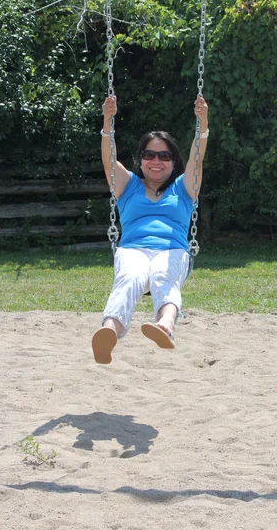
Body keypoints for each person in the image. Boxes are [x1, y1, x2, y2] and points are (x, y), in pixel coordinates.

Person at [92, 94, 209, 364]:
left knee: (162, 275)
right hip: (133, 248)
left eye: (164, 155)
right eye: (149, 154)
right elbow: (109, 159)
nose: (156, 160)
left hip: (172, 250)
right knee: (130, 277)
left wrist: (202, 125)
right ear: (141, 158)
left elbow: (197, 157)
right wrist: (108, 120)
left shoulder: (184, 187)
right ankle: (109, 332)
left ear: (173, 160)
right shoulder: (128, 185)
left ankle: (165, 326)